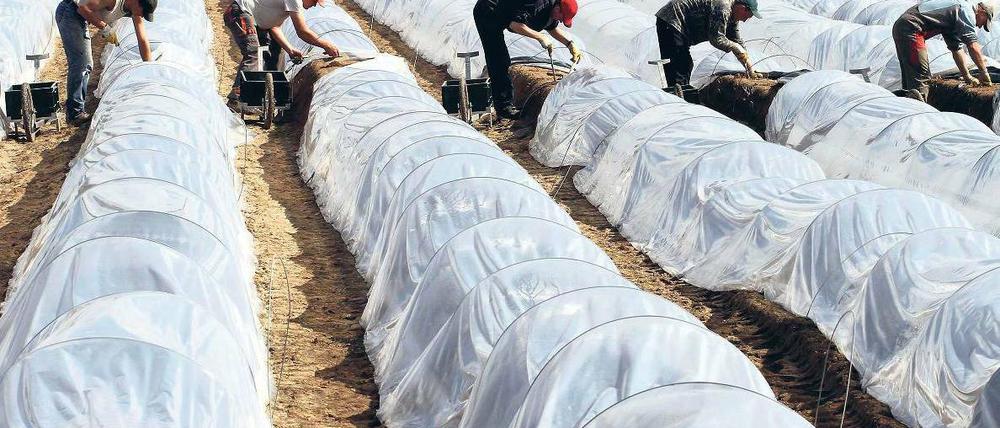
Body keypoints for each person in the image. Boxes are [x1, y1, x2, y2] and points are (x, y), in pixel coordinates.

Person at [473, 0, 584, 120]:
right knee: (499, 60)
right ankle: (504, 109)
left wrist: (569, 44)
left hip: (504, 13)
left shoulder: (550, 10)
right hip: (488, 11)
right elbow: (515, 25)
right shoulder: (537, 5)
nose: (561, 21)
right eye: (562, 17)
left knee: (501, 60)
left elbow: (552, 28)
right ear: (557, 8)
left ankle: (505, 105)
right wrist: (540, 37)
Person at [223, 0, 341, 109]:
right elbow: (302, 31)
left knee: (274, 51)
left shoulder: (289, 5)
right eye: (315, 1)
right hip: (239, 12)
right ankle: (236, 99)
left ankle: (262, 97)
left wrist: (289, 49)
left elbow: (274, 27)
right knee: (253, 52)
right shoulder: (295, 1)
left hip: (253, 19)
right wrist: (326, 45)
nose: (315, 5)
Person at [55, 0, 157, 125]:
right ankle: (75, 113)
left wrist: (149, 67)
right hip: (69, 12)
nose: (141, 15)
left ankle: (76, 109)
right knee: (82, 63)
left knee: (85, 64)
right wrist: (104, 27)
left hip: (81, 16)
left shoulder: (135, 9)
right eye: (143, 11)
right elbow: (82, 8)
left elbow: (142, 39)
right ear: (137, 2)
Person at [892, 0, 995, 102]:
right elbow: (972, 45)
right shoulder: (965, 10)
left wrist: (967, 76)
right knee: (922, 77)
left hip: (903, 27)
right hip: (911, 28)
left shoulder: (953, 18)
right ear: (982, 11)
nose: (980, 26)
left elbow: (957, 49)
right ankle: (919, 110)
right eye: (984, 22)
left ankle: (906, 104)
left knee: (910, 75)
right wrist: (983, 71)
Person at [654, 0, 760, 88]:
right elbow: (716, 38)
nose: (745, 20)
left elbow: (737, 40)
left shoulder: (733, 17)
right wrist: (734, 47)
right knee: (680, 63)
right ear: (742, 7)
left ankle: (682, 94)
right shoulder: (723, 8)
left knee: (685, 63)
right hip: (672, 19)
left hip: (680, 25)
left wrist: (750, 67)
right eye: (747, 16)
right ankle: (678, 98)